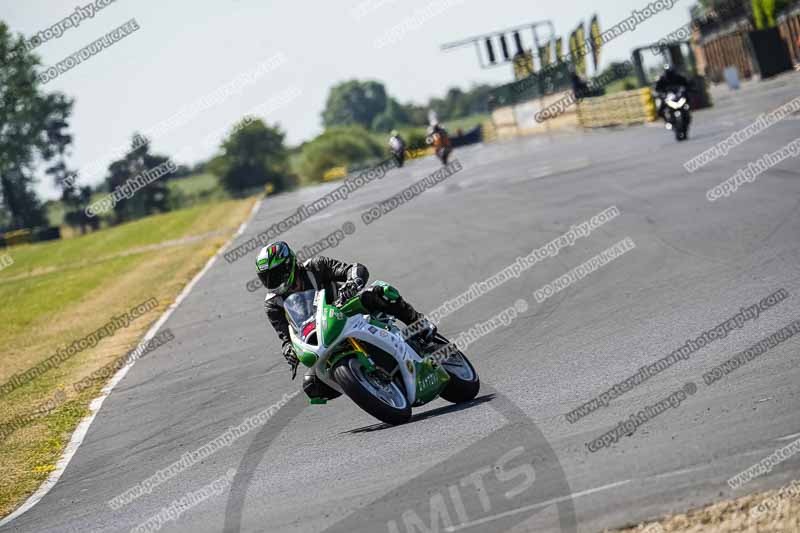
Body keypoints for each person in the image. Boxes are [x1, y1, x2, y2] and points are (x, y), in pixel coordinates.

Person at [256, 241, 437, 401]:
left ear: (289, 265)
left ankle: (419, 324)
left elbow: (353, 268)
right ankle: (365, 386)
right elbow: (286, 335)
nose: (272, 281)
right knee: (312, 386)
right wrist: (288, 349)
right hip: (319, 334)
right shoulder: (272, 304)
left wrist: (353, 281)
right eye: (266, 278)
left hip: (346, 310)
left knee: (381, 291)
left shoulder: (315, 266)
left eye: (276, 274)